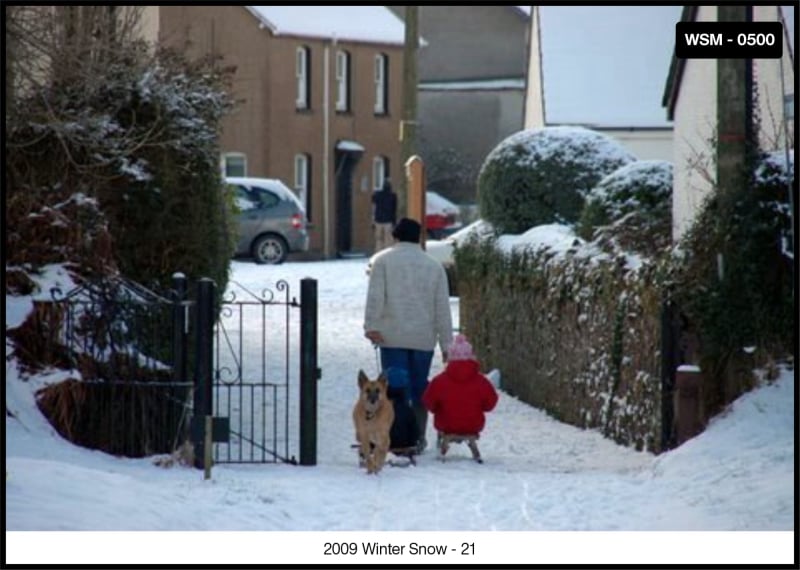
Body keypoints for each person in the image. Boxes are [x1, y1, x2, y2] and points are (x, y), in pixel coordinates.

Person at [364, 217, 453, 453]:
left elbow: (375, 297)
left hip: (391, 336)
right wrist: (447, 345)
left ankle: (393, 434)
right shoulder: (434, 267)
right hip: (423, 338)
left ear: (396, 236)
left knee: (393, 388)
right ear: (419, 238)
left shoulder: (383, 261)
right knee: (418, 390)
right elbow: (442, 308)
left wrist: (371, 326)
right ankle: (418, 437)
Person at [422, 334, 498, 442]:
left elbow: (428, 401)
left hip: (446, 424)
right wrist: (480, 407)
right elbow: (491, 402)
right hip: (474, 424)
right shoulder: (481, 381)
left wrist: (438, 409)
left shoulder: (439, 381)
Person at [371, 178, 397, 252]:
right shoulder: (393, 196)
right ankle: (386, 253)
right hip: (388, 220)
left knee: (378, 239)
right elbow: (394, 210)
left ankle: (378, 253)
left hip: (378, 219)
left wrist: (373, 220)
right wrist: (394, 222)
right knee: (388, 239)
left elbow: (373, 206)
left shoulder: (377, 195)